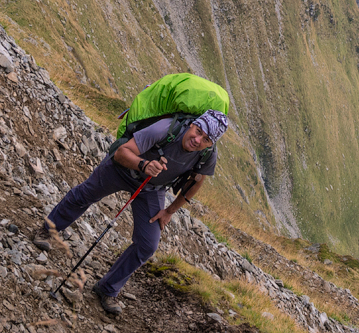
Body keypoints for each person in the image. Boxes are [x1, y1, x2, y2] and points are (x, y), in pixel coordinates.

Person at [33, 108, 228, 314]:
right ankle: (47, 230)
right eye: (198, 131)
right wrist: (144, 165)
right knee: (84, 195)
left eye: (205, 139)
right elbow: (121, 153)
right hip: (121, 170)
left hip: (151, 188)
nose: (197, 140)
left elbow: (196, 182)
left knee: (147, 244)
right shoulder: (164, 129)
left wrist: (169, 211)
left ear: (210, 144)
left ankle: (107, 288)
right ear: (193, 124)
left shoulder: (207, 155)